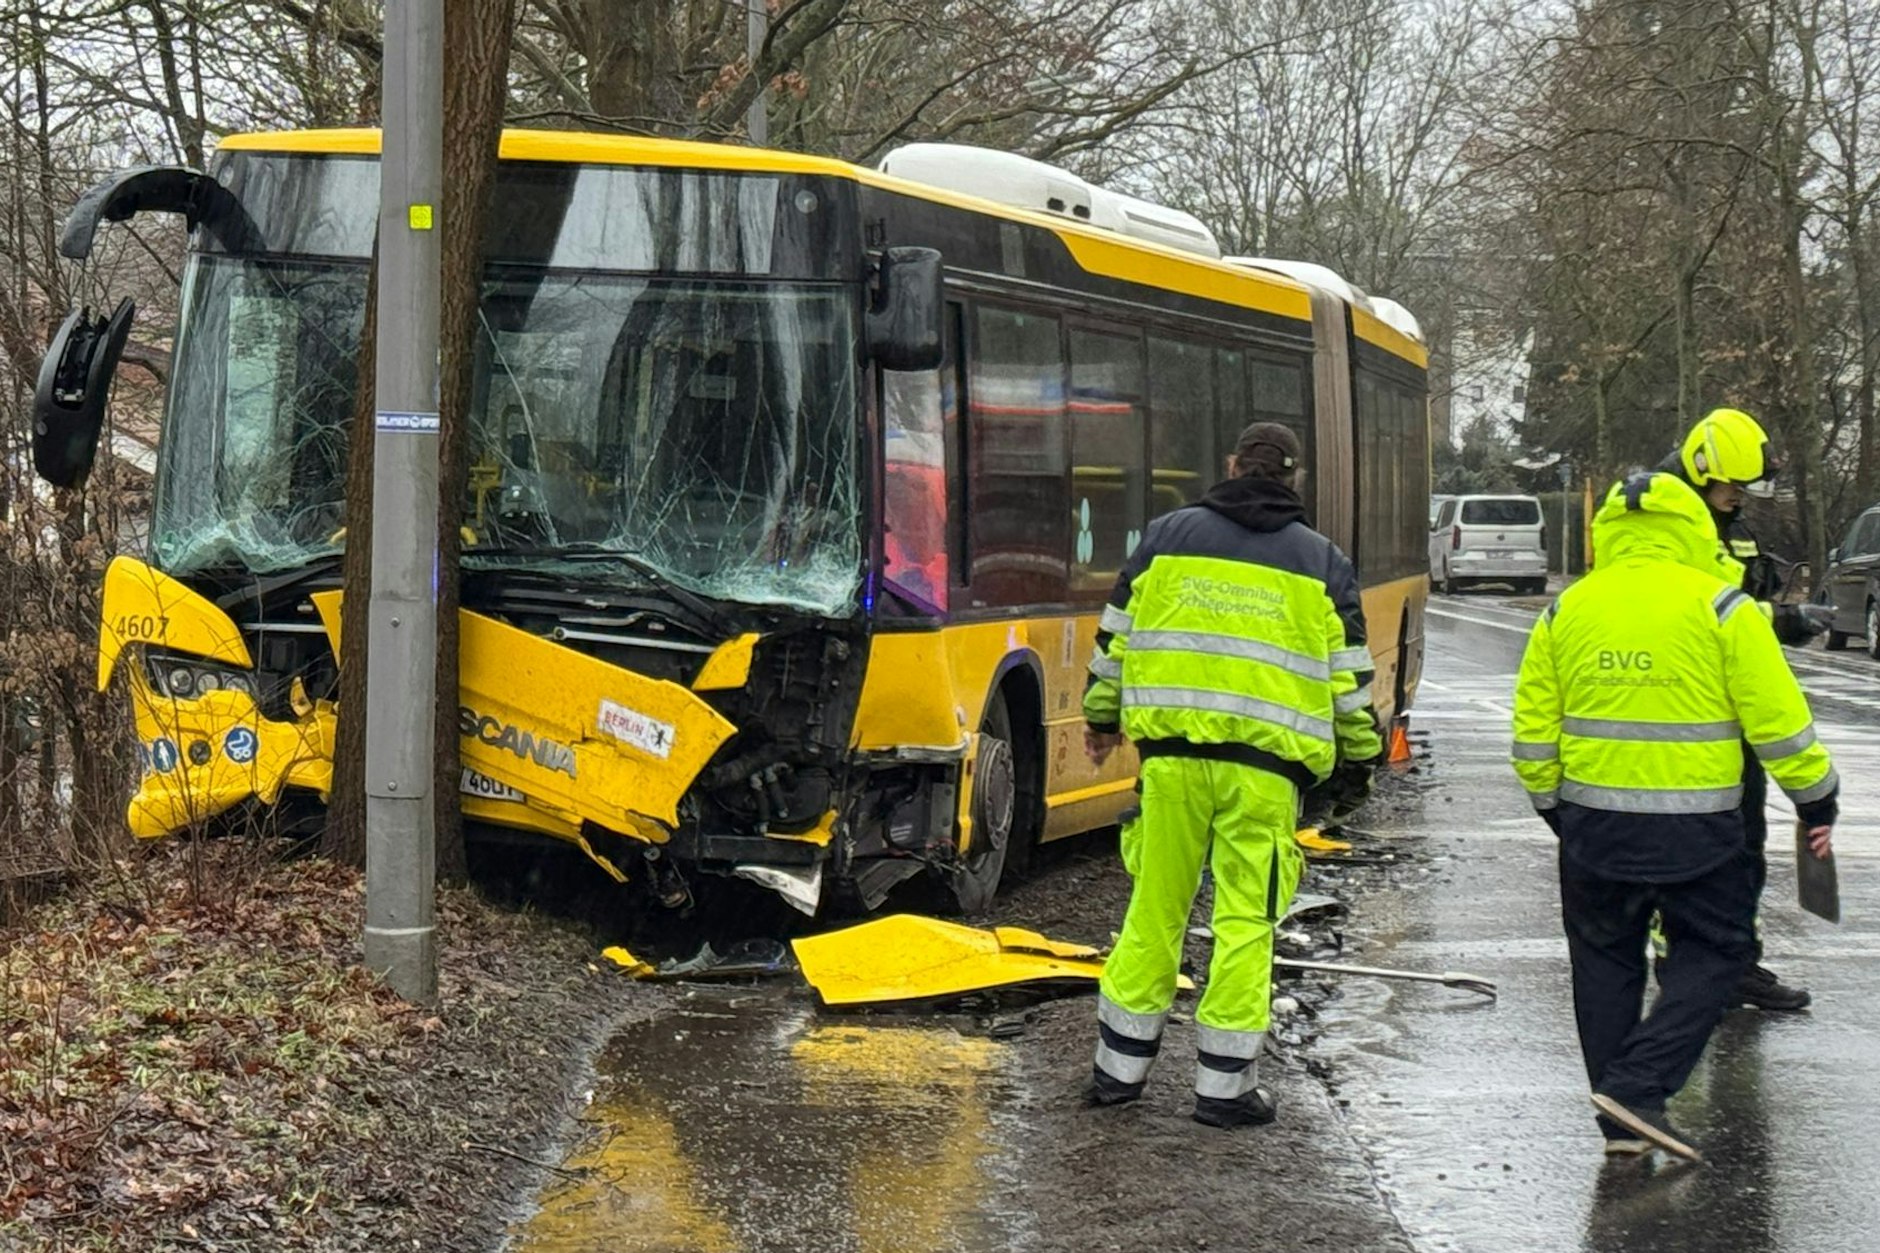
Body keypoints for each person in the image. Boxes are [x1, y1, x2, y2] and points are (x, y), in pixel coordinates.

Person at [1511, 469, 1837, 1160]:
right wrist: (1817, 796)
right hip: (1700, 828)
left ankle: (1621, 1121)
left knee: (1603, 960)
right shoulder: (1723, 608)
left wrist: (1554, 807)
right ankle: (1638, 1086)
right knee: (1717, 951)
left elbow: (1533, 733)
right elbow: (1779, 724)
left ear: (1608, 534)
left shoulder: (1567, 610)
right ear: (1692, 528)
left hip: (1593, 824)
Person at [1082, 422, 1383, 1129]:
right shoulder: (1324, 562)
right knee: (1246, 918)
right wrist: (1360, 758)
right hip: (1265, 776)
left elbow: (1114, 638)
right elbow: (1349, 684)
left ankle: (1117, 1073)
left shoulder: (1166, 536)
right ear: (1296, 477)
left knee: (1154, 909)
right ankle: (1223, 1089)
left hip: (1172, 763)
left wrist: (1101, 718)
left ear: (1230, 465)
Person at [1653, 407, 1816, 1011]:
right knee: (1695, 847)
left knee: (1745, 841)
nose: (1737, 498)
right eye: (1731, 487)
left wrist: (1773, 613)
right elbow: (1698, 613)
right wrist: (1782, 621)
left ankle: (1733, 963)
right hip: (1684, 710)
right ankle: (1683, 965)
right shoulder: (1662, 525)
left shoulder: (1728, 519)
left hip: (1730, 707)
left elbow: (1743, 596)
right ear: (1700, 470)